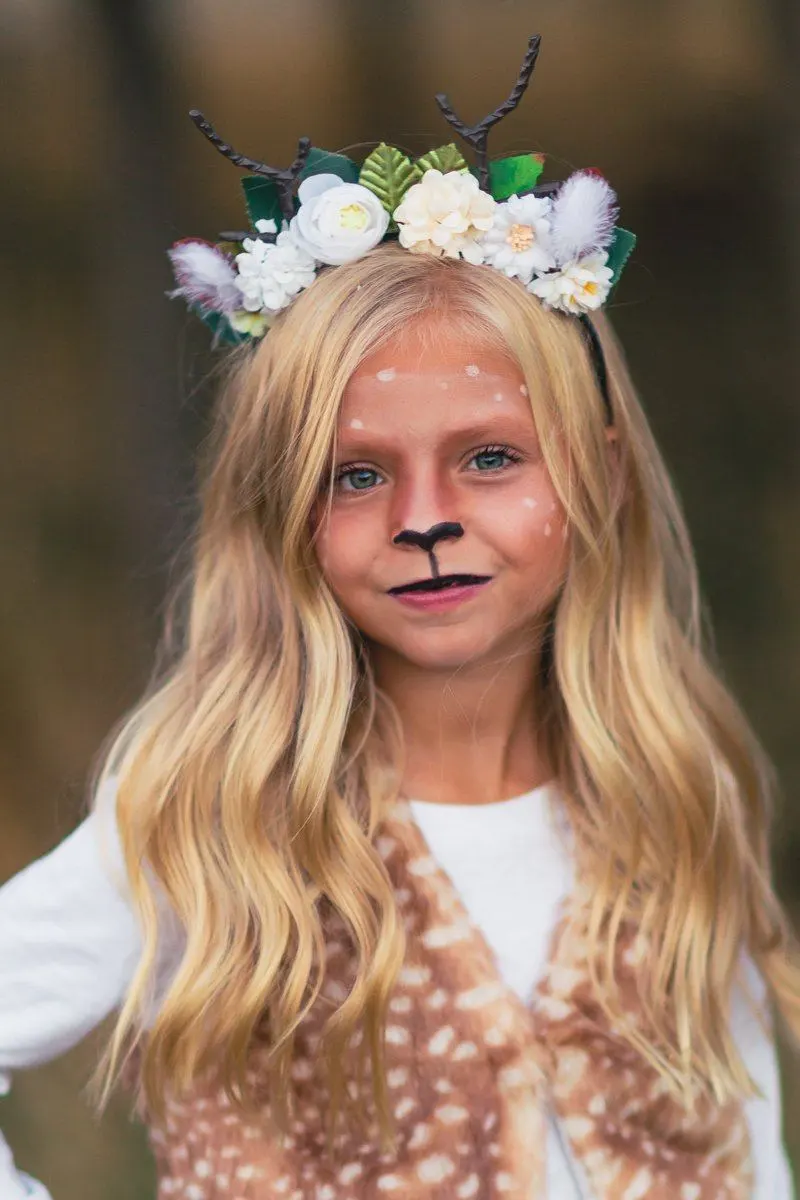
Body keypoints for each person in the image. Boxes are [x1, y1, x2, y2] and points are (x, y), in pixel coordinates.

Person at [1, 33, 798, 1200]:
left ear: (602, 472)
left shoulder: (672, 790)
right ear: (280, 507)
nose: (423, 518)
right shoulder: (205, 821)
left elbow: (746, 1146)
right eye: (355, 475)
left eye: (486, 457)